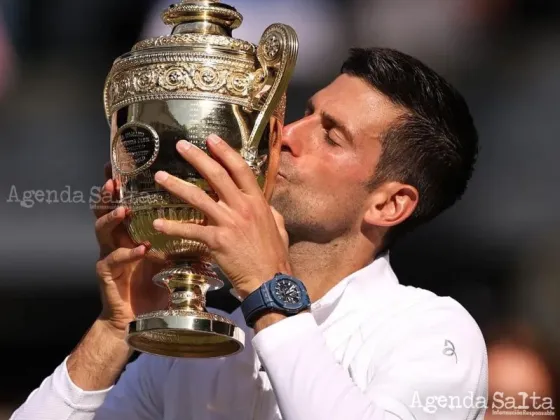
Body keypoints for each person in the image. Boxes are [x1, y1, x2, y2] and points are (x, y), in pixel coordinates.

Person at [11, 47, 487, 420]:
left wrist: (269, 291)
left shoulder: (434, 333)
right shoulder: (198, 347)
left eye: (331, 134)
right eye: (305, 112)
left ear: (389, 204)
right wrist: (116, 329)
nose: (285, 134)